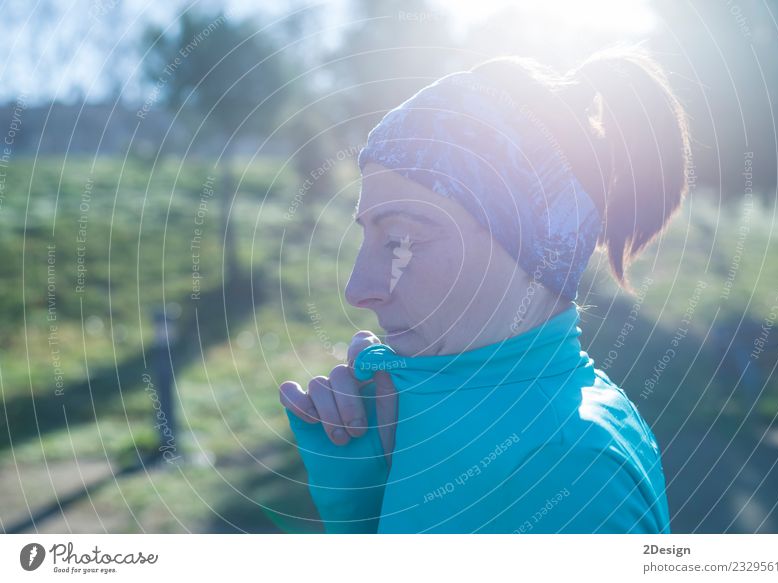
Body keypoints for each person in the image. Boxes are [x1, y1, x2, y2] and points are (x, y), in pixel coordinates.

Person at [279, 43, 691, 533]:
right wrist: (363, 503)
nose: (358, 289)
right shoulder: (430, 419)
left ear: (529, 249)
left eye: (400, 240)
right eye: (367, 235)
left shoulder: (570, 467)